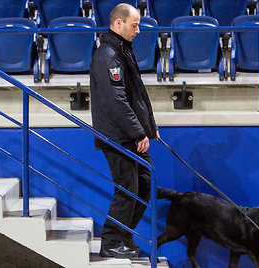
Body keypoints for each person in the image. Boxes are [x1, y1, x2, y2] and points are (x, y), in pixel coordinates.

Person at [89, 3, 159, 259]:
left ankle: (123, 235)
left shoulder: (121, 50)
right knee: (127, 189)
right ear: (118, 24)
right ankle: (110, 242)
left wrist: (149, 128)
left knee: (144, 184)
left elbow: (135, 96)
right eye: (134, 25)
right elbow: (115, 101)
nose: (138, 30)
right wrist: (138, 133)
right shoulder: (108, 55)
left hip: (129, 134)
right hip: (118, 137)